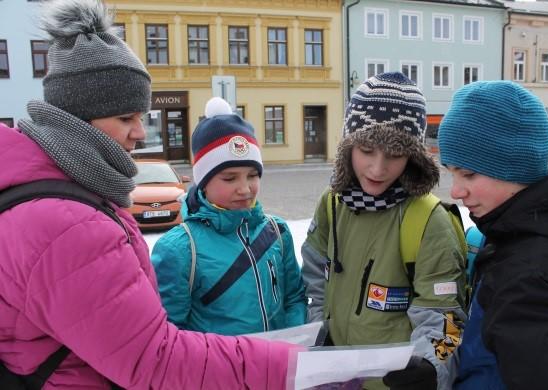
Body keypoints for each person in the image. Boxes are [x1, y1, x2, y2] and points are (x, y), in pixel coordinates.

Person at [0, 0, 300, 388]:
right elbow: (156, 359)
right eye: (127, 117)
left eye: (140, 117)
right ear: (78, 117)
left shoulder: (71, 192)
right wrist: (285, 364)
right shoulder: (67, 223)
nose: (140, 133)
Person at [301, 72, 467, 390]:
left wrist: (430, 366)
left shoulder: (430, 222)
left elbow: (446, 319)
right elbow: (313, 283)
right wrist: (319, 340)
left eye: (394, 155)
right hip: (334, 379)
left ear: (414, 156)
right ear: (347, 147)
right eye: (366, 150)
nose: (378, 169)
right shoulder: (331, 204)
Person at [438, 80, 548, 389]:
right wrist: (436, 363)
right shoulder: (515, 227)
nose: (456, 191)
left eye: (468, 174)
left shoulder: (530, 273)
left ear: (515, 167)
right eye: (451, 172)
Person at [151, 97, 307, 335]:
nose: (245, 188)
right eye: (229, 178)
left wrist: (291, 343)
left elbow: (294, 297)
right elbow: (171, 333)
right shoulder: (180, 249)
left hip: (277, 366)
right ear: (203, 182)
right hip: (220, 370)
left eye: (252, 175)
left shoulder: (277, 232)